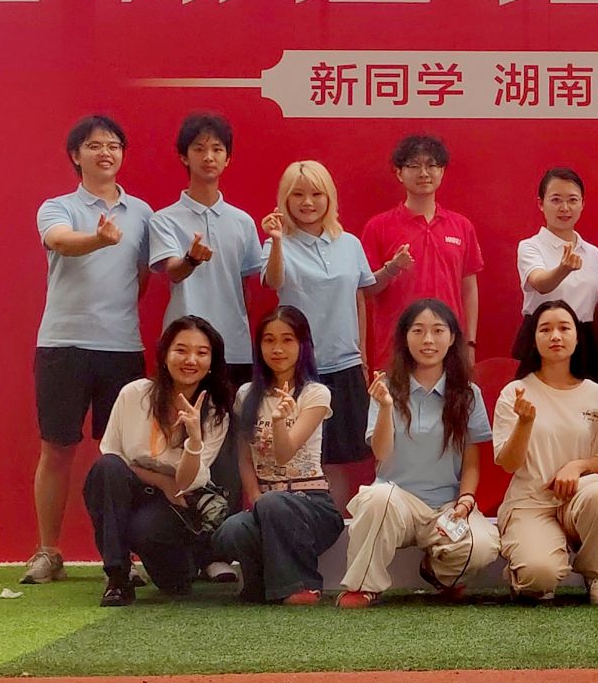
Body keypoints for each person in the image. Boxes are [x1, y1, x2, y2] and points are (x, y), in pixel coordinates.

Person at [24, 114, 154, 586]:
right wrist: (97, 239)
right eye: (95, 145)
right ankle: (48, 551)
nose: (106, 153)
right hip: (63, 344)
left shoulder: (142, 213)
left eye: (114, 145)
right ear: (75, 155)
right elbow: (60, 242)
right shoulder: (57, 207)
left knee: (121, 455)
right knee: (57, 448)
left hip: (121, 347)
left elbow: (141, 276)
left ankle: (120, 558)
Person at [148, 111, 262, 576]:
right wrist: (191, 260)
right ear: (184, 156)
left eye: (217, 149)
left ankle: (222, 552)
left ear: (228, 158)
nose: (209, 156)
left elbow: (251, 284)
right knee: (180, 447)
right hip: (184, 357)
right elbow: (172, 271)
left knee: (232, 452)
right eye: (199, 148)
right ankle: (181, 551)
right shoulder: (164, 219)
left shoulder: (243, 222)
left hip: (234, 351)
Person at [338, 298, 497, 607]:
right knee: (377, 497)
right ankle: (362, 586)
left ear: (452, 337)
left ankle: (437, 571)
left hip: (446, 507)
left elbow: (471, 462)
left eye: (438, 330)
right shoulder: (386, 388)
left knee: (481, 547)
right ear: (405, 337)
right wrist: (386, 407)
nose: (428, 340)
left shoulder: (468, 394)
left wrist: (465, 502)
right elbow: (381, 452)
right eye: (418, 331)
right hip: (396, 502)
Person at [81, 315, 232, 607]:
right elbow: (113, 457)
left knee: (175, 585)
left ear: (212, 362)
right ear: (164, 355)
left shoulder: (215, 412)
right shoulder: (134, 394)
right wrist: (161, 481)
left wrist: (194, 439)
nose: (191, 360)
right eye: (181, 350)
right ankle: (117, 576)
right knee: (106, 470)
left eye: (202, 353)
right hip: (133, 490)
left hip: (175, 506)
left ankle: (190, 561)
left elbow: (185, 483)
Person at [492, 300, 598, 602]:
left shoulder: (594, 393)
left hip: (579, 499)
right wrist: (525, 423)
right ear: (533, 338)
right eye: (545, 329)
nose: (555, 336)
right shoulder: (515, 392)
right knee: (539, 579)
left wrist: (577, 467)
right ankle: (524, 569)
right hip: (531, 503)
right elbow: (508, 463)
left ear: (577, 337)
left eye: (564, 328)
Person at [261, 160, 377, 506]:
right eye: (297, 195)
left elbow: (359, 298)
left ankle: (335, 525)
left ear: (329, 198)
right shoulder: (277, 243)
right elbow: (274, 281)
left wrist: (362, 355)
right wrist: (277, 241)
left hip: (344, 364)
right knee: (308, 460)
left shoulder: (350, 243)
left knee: (339, 460)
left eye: (316, 194)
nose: (307, 202)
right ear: (285, 199)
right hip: (298, 370)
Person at [217, 307, 343, 605]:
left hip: (312, 505)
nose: (277, 349)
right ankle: (263, 588)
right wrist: (254, 497)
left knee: (274, 504)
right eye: (269, 340)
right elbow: (244, 457)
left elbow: (285, 454)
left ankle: (304, 587)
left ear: (303, 345)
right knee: (230, 531)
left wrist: (277, 422)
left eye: (287, 340)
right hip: (266, 502)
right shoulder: (246, 394)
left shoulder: (315, 394)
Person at [361, 133, 484, 369]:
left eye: (432, 165)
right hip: (394, 349)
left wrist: (469, 344)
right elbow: (366, 289)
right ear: (399, 173)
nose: (424, 173)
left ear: (442, 171)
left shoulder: (461, 226)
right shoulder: (378, 226)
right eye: (414, 166)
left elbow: (469, 289)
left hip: (448, 346)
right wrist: (392, 268)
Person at [516, 166, 598, 344]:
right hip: (542, 334)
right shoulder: (530, 246)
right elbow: (540, 283)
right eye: (556, 200)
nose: (565, 208)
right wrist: (563, 270)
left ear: (582, 204)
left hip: (583, 337)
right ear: (541, 204)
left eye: (572, 200)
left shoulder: (593, 254)